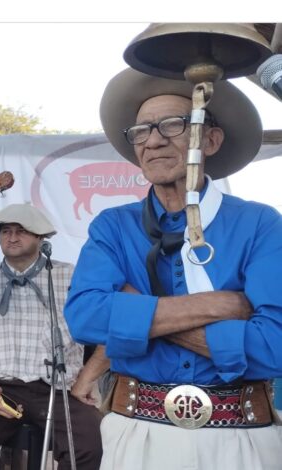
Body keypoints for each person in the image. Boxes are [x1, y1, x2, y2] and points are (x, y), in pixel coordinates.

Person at [64, 68, 282, 469]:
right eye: (142, 131)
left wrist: (135, 310)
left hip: (242, 443)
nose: (154, 140)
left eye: (174, 124)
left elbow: (275, 346)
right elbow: (85, 317)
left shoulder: (261, 224)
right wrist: (222, 305)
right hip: (136, 437)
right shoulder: (113, 226)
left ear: (211, 139)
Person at [0, 203, 104, 470]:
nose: (12, 237)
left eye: (22, 231)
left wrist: (85, 381)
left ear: (40, 237)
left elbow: (106, 335)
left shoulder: (71, 276)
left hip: (58, 388)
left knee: (91, 441)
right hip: (0, 386)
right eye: (6, 231)